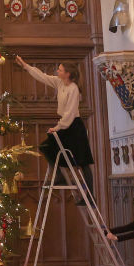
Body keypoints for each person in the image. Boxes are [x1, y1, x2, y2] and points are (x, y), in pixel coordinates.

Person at [14, 56, 94, 205]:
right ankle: (60, 175)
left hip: (73, 126)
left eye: (60, 69)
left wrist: (57, 128)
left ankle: (90, 196)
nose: (57, 71)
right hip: (65, 124)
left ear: (68, 73)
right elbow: (42, 77)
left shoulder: (74, 89)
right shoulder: (59, 83)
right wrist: (25, 65)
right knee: (47, 147)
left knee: (83, 161)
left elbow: (70, 114)